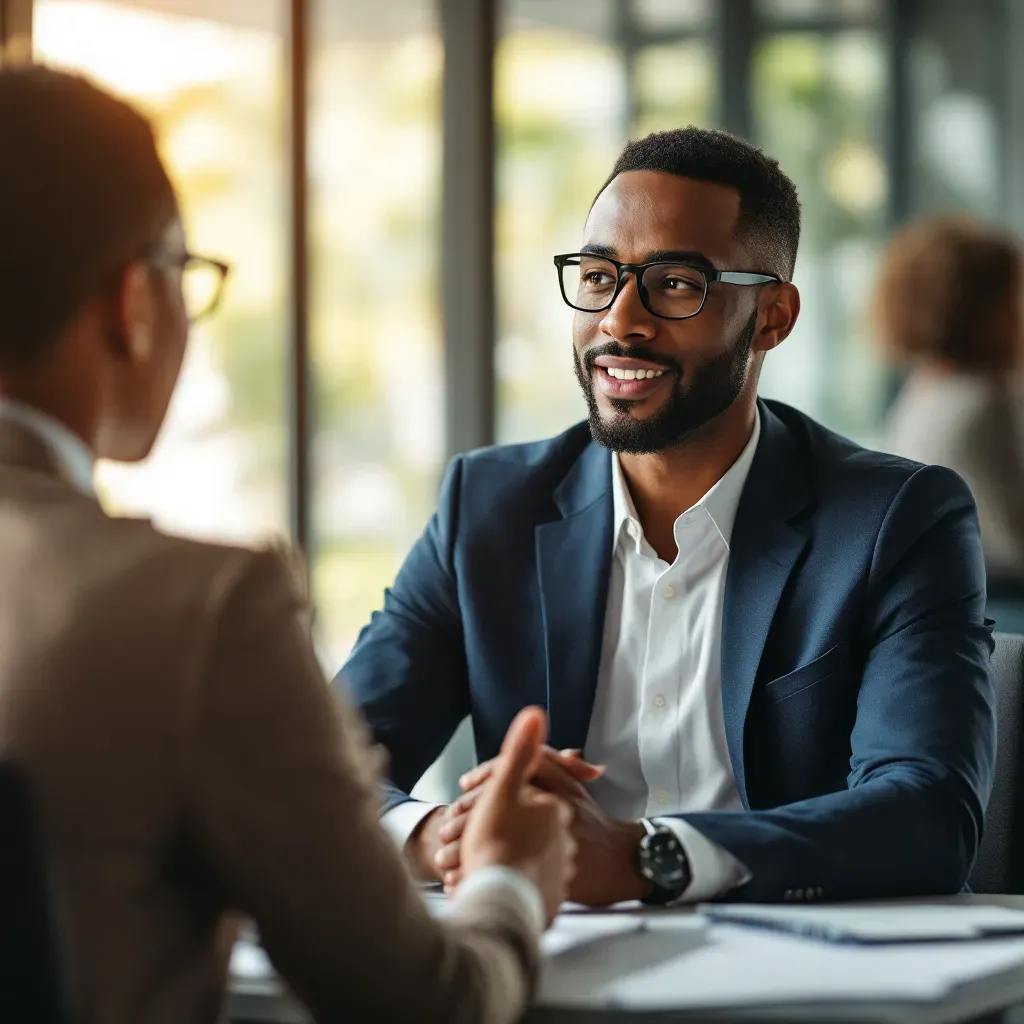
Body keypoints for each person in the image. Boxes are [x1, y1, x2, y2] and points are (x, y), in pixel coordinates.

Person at [0, 64, 574, 1024]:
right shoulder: (197, 612)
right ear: (132, 303)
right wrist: (510, 880)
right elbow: (425, 1005)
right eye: (185, 274)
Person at [340, 126, 996, 907]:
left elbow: (929, 813)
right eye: (598, 276)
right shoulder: (487, 508)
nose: (620, 320)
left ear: (772, 317)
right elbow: (323, 763)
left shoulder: (895, 520)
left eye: (677, 284)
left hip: (795, 961)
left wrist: (644, 856)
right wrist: (440, 835)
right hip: (553, 957)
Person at [878, 217, 1024, 625]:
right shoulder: (984, 399)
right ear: (986, 311)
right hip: (998, 605)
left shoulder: (923, 388)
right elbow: (1016, 538)